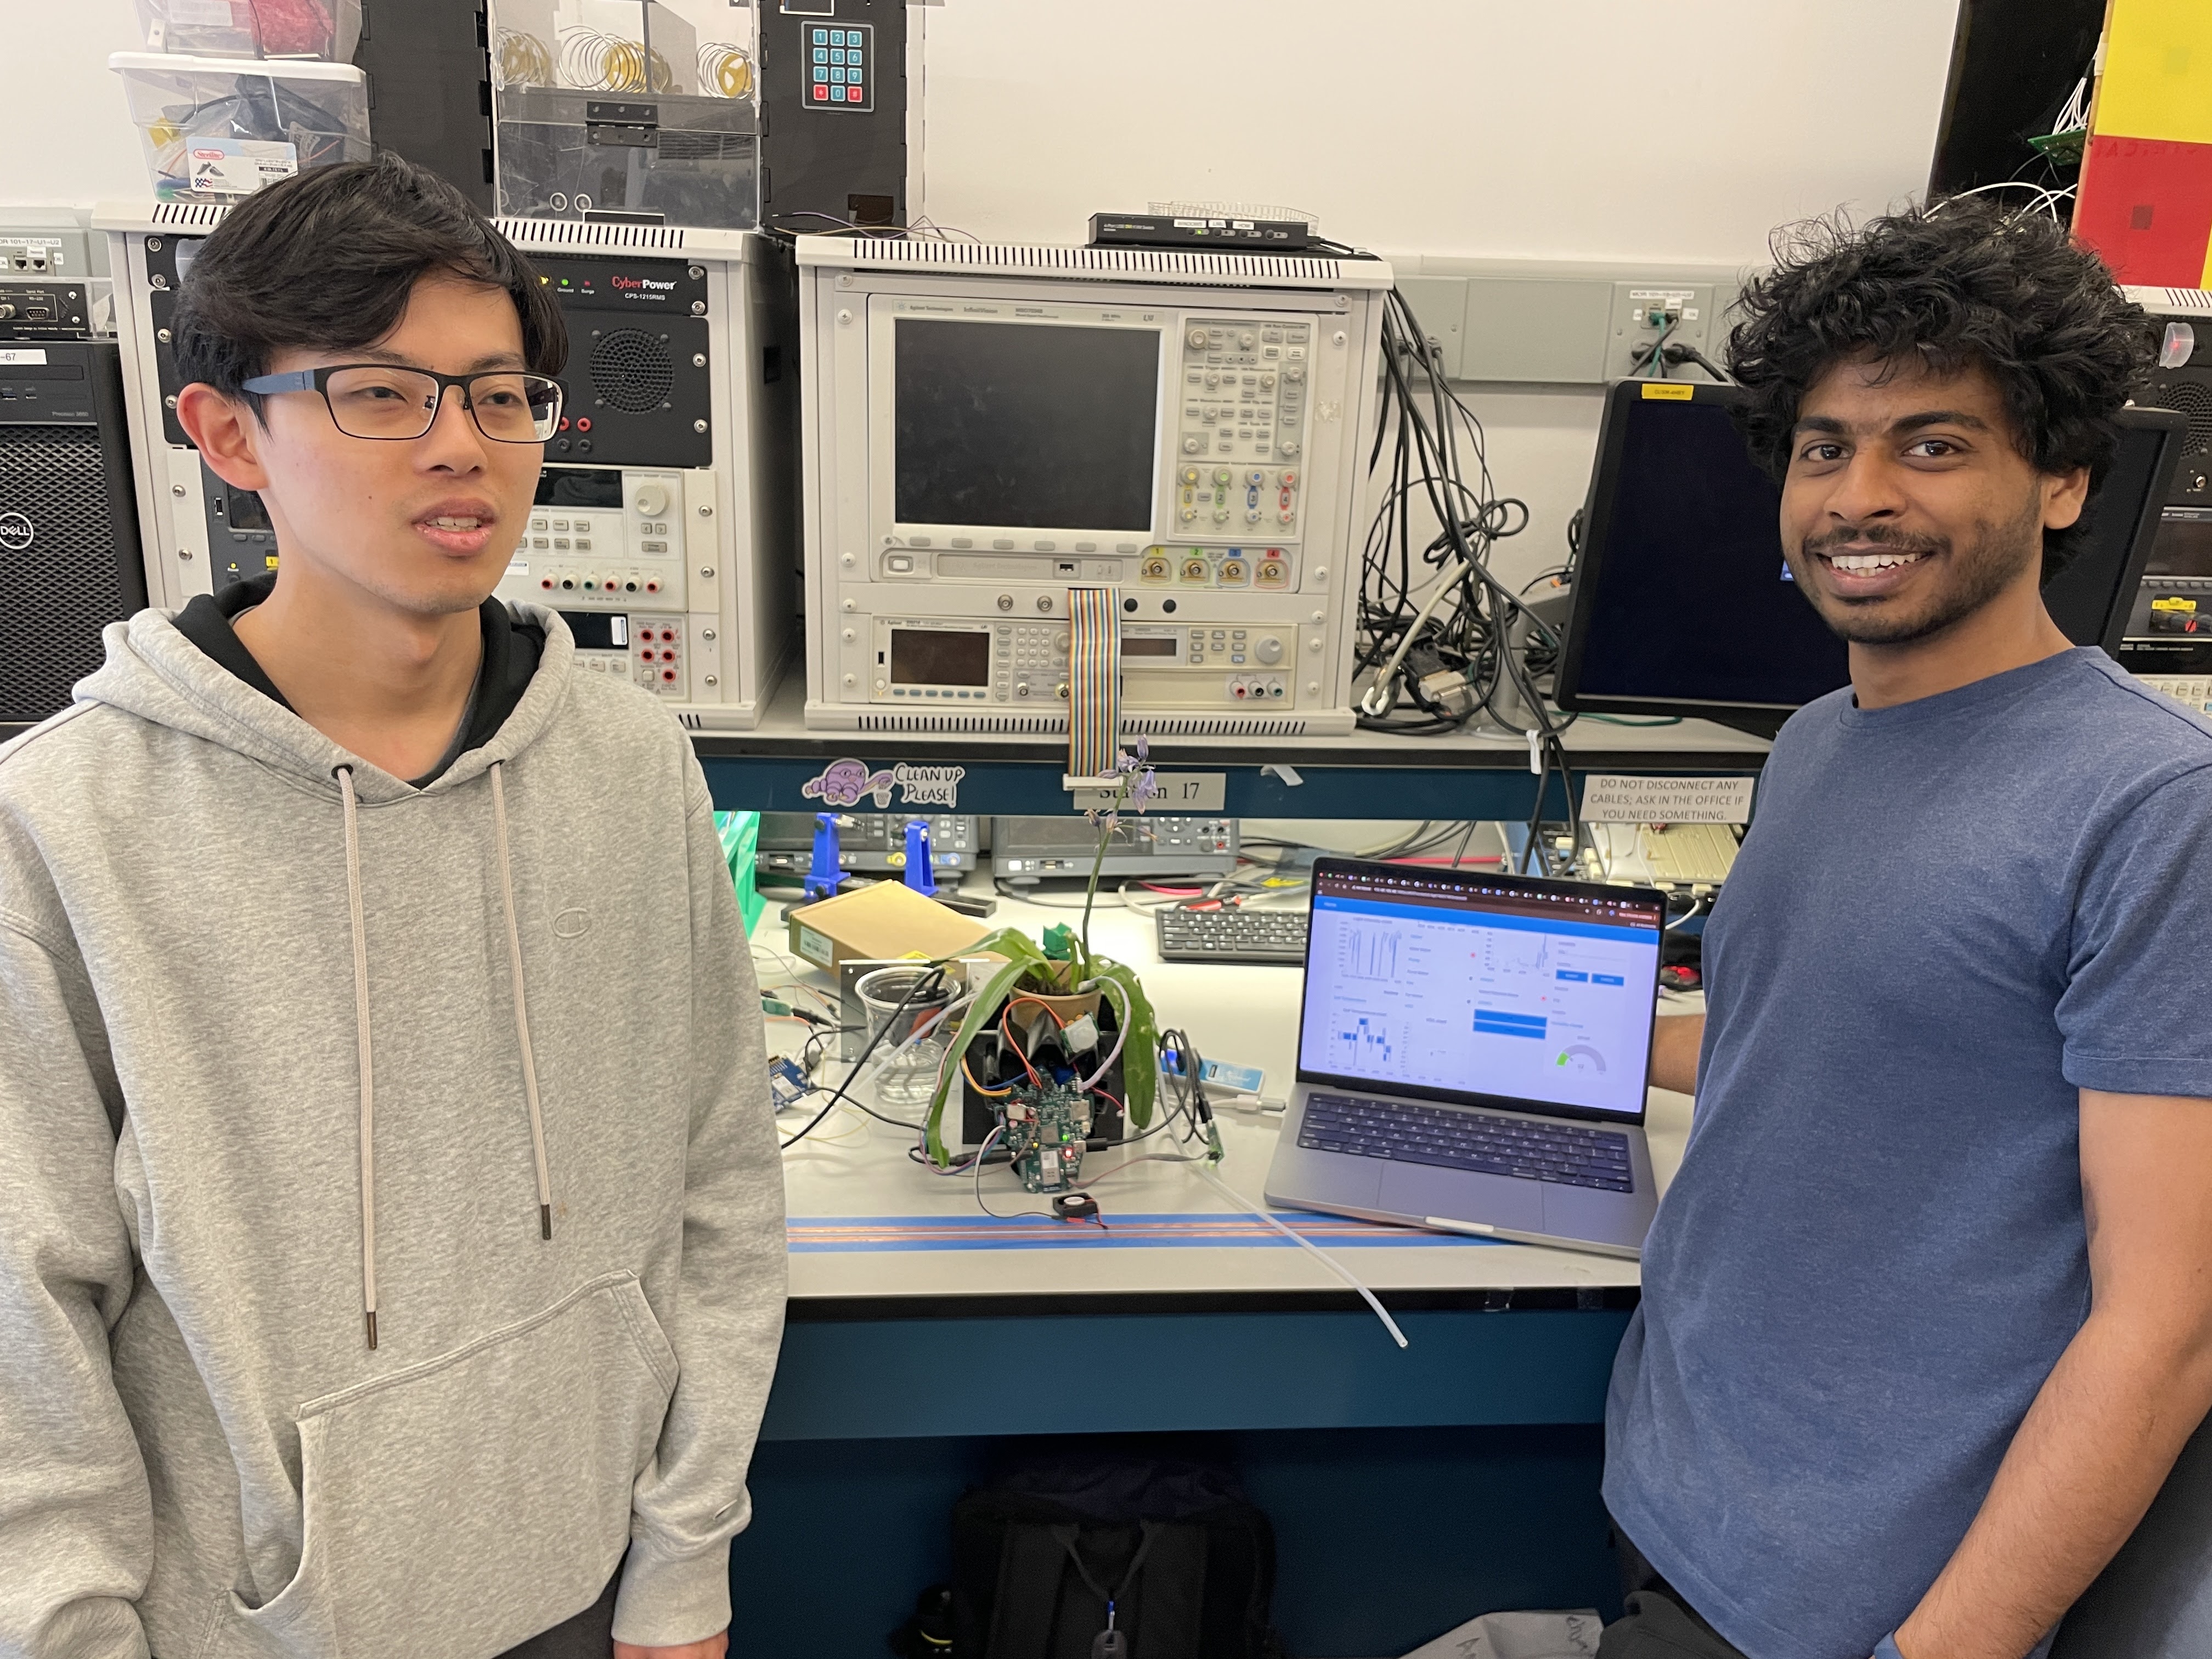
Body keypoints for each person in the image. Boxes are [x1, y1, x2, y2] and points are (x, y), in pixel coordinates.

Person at [0, 156, 786, 1658]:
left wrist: (686, 1561)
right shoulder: (60, 830)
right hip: (259, 1633)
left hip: (586, 1590)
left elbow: (720, 1184)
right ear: (227, 434)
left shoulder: (634, 767)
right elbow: (20, 1336)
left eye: (499, 397)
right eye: (379, 394)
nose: (461, 447)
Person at [1601, 200, 2212, 1659]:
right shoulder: (1821, 740)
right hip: (1676, 1498)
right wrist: (1528, 1038)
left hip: (1864, 1599)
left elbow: (2169, 1328)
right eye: (1824, 448)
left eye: (1931, 446)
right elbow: (1812, 1045)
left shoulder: (2155, 808)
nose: (1857, 498)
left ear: (2062, 479)